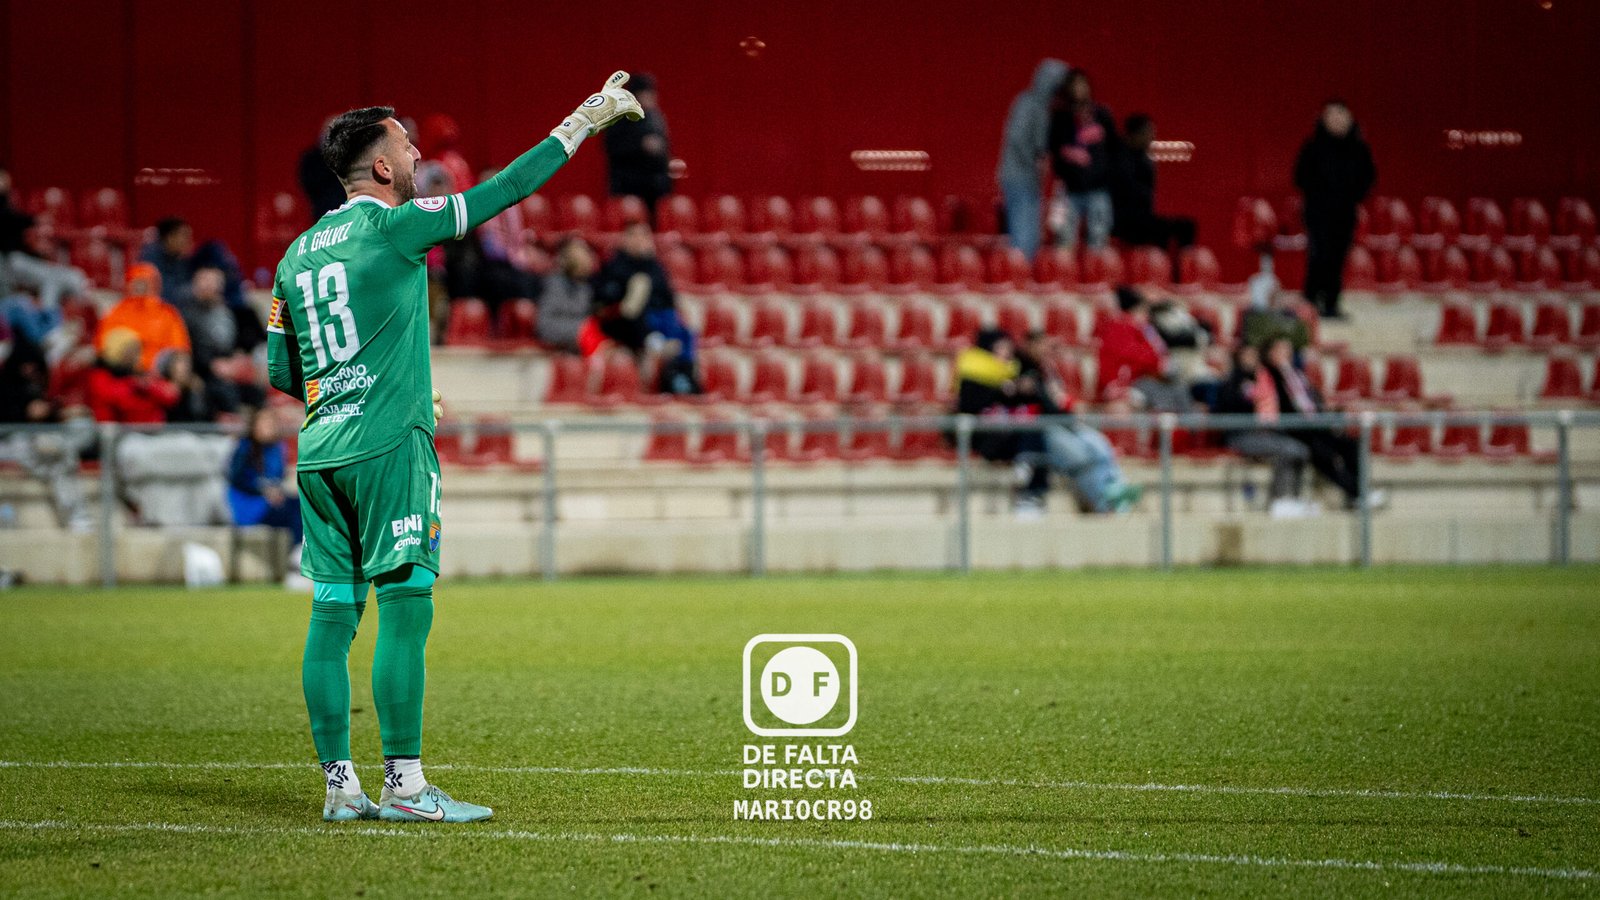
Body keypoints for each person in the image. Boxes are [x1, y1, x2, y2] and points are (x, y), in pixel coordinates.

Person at [265, 73, 641, 824]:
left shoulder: (296, 256)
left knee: (332, 616)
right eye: (405, 148)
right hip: (387, 449)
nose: (416, 161)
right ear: (380, 167)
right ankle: (404, 786)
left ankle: (342, 790)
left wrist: (351, 386)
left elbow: (283, 369)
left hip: (319, 455)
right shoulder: (394, 226)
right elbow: (503, 191)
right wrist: (587, 117)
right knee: (407, 607)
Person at [1016, 331, 1142, 513]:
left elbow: (1058, 403)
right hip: (1039, 430)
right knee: (1080, 456)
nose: (1045, 350)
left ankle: (1117, 486)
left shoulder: (1047, 371)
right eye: (1040, 345)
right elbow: (1044, 406)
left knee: (1099, 443)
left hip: (1062, 422)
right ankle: (1104, 502)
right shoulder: (1021, 369)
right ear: (1029, 346)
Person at [1259, 336, 1383, 509]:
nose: (1287, 353)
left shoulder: (1296, 373)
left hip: (1315, 424)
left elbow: (1313, 398)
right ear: (1270, 353)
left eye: (1288, 349)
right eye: (1281, 349)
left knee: (1351, 445)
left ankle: (1358, 494)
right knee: (1325, 454)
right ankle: (1358, 493)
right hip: (1297, 428)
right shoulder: (1269, 375)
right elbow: (1277, 406)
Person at [594, 221, 699, 394]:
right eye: (635, 235)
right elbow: (610, 299)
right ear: (625, 239)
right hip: (627, 321)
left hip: (658, 317)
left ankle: (682, 377)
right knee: (640, 289)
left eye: (644, 235)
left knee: (686, 333)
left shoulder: (655, 266)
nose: (640, 240)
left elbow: (668, 297)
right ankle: (654, 343)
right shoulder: (615, 265)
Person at [1293, 100, 1376, 319]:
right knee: (1319, 255)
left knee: (1338, 258)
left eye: (1341, 116)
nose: (1337, 121)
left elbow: (1368, 178)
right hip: (1318, 212)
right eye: (1332, 116)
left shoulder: (1359, 149)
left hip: (1345, 212)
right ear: (1324, 119)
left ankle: (1331, 304)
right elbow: (1300, 177)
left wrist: (1352, 195)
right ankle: (1310, 303)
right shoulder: (1312, 147)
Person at [1213, 344, 1313, 517]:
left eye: (1254, 356)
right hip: (1240, 435)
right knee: (1288, 450)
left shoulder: (1261, 379)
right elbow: (1228, 409)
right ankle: (1279, 501)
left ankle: (1293, 499)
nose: (1251, 360)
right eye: (1247, 356)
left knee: (1301, 451)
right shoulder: (1232, 382)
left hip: (1263, 432)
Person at [995, 59, 1068, 262]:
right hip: (1018, 175)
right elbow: (1019, 139)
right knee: (1023, 230)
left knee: (1031, 230)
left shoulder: (1042, 108)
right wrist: (1035, 160)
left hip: (1029, 177)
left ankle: (1025, 269)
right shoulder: (1027, 104)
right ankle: (1020, 272)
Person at [0, 168, 90, 310]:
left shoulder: (9, 203)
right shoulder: (5, 210)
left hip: (23, 258)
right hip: (10, 262)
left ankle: (81, 319)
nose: (5, 181)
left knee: (76, 276)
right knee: (52, 279)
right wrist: (34, 220)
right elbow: (9, 218)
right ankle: (48, 320)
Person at [1048, 69, 1117, 250]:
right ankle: (1063, 276)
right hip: (1068, 191)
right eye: (1074, 85)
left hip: (1099, 190)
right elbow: (1053, 150)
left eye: (1082, 84)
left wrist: (1106, 174)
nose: (1079, 89)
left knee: (1098, 241)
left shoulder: (1102, 115)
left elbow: (1114, 148)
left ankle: (1096, 276)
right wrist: (1070, 156)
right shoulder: (1060, 118)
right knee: (1063, 240)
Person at [1111, 114, 1196, 257]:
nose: (1151, 138)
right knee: (1159, 230)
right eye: (1147, 133)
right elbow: (1129, 191)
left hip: (1143, 216)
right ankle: (1159, 270)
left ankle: (1182, 268)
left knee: (1187, 225)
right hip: (1123, 221)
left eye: (1153, 133)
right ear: (1134, 135)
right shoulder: (1118, 158)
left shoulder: (1145, 159)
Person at [1097, 286, 1188, 411]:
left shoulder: (1141, 327)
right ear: (1135, 308)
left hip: (1144, 380)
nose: (1145, 314)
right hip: (1127, 384)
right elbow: (1138, 356)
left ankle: (1189, 428)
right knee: (1167, 395)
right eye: (1142, 309)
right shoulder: (1120, 327)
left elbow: (1157, 353)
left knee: (1178, 390)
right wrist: (1158, 364)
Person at [228, 407, 304, 549]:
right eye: (264, 423)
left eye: (271, 423)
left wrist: (277, 490)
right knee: (295, 509)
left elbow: (277, 478)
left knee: (300, 504)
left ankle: (298, 549)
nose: (268, 427)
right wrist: (263, 490)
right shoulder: (245, 447)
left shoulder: (277, 448)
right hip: (250, 505)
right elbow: (236, 478)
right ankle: (296, 551)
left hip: (271, 502)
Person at [97, 263, 191, 374]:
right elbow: (104, 345)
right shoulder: (116, 312)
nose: (140, 287)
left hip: (159, 374)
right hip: (124, 373)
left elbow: (179, 348)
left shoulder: (167, 314)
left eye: (145, 283)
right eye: (136, 282)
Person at [602, 73, 672, 218]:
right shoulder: (619, 117)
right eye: (646, 94)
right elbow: (612, 147)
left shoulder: (656, 118)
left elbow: (665, 150)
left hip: (654, 189)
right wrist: (640, 145)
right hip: (627, 186)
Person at [85, 328, 179, 424]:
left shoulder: (139, 373)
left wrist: (147, 387)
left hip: (148, 430)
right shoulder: (100, 374)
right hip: (117, 430)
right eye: (131, 350)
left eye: (137, 350)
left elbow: (170, 396)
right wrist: (135, 385)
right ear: (119, 351)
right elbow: (118, 399)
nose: (137, 355)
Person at [538, 236, 598, 352]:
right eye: (576, 257)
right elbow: (545, 327)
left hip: (589, 348)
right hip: (564, 350)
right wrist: (581, 329)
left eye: (585, 254)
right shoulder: (554, 285)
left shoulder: (591, 286)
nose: (584, 260)